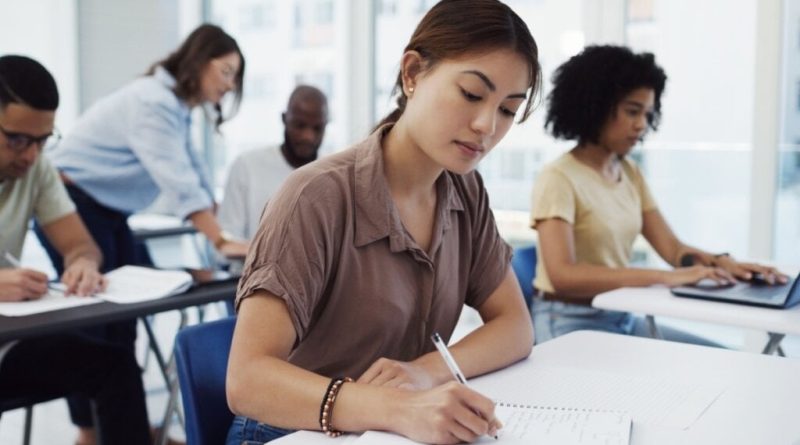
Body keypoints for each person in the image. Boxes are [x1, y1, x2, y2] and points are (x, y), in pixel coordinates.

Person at [225, 1, 540, 443]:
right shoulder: (316, 196)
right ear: (412, 73)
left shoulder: (466, 192)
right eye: (471, 94)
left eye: (508, 109)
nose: (486, 124)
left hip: (392, 430)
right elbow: (247, 381)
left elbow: (515, 326)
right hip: (290, 432)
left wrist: (422, 375)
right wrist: (399, 408)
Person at [34, 23, 247, 440]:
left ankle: (124, 428)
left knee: (125, 321)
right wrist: (220, 240)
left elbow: (195, 175)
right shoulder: (153, 102)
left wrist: (223, 230)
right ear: (199, 62)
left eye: (235, 76)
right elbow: (178, 182)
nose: (230, 84)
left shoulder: (176, 105)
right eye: (225, 71)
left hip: (108, 210)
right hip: (71, 201)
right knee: (94, 322)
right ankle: (89, 433)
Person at [530, 45, 788, 344]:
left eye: (647, 114)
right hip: (568, 320)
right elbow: (563, 276)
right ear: (595, 106)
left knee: (723, 357)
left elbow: (674, 251)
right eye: (631, 111)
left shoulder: (629, 172)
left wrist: (722, 264)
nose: (641, 125)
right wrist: (665, 277)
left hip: (621, 315)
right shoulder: (559, 177)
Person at [0, 55, 151, 445]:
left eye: (43, 140)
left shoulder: (36, 169)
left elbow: (81, 244)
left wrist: (82, 263)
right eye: (17, 139)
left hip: (7, 344)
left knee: (114, 364)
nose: (31, 154)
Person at [218, 85, 328, 240]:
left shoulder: (333, 175)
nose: (308, 136)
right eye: (300, 125)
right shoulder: (247, 166)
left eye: (317, 128)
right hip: (251, 264)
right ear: (284, 119)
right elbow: (227, 240)